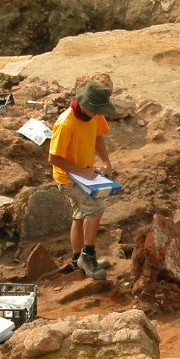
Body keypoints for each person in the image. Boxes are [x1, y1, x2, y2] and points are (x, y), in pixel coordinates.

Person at [48, 81, 115, 279]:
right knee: (97, 208)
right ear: (86, 104)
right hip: (67, 178)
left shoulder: (94, 114)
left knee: (79, 217)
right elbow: (53, 158)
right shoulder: (65, 123)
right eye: (97, 109)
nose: (99, 113)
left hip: (83, 174)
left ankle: (77, 261)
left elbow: (97, 137)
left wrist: (107, 162)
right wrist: (80, 172)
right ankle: (88, 256)